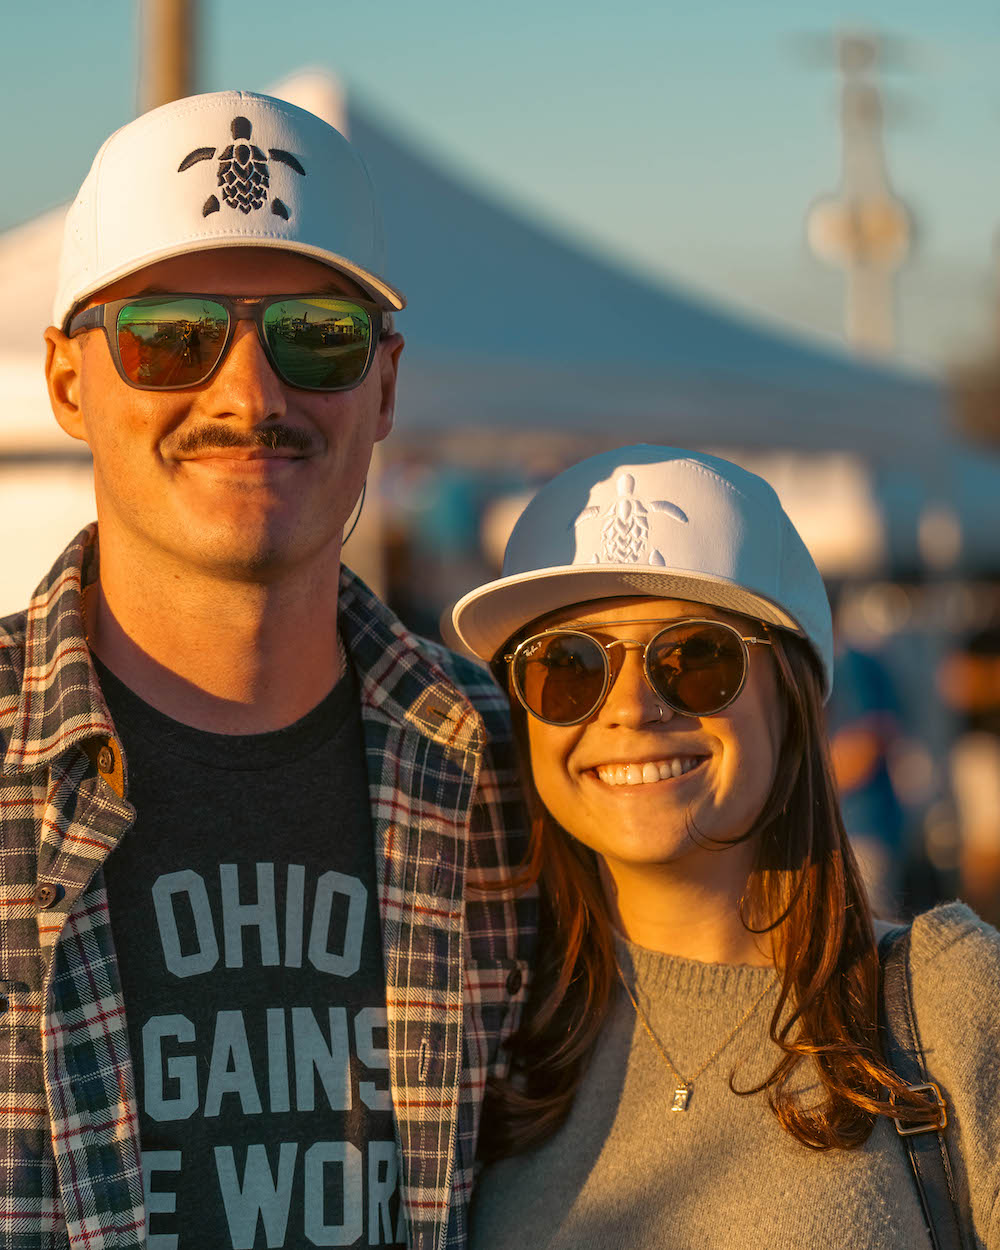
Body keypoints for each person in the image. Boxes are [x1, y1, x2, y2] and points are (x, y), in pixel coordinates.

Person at [0, 92, 533, 1250]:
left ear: (384, 385)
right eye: (173, 334)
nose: (249, 392)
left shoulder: (523, 771)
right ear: (68, 379)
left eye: (317, 336)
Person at [451, 446, 1000, 1250]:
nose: (630, 709)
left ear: (795, 696)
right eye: (567, 667)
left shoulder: (952, 1004)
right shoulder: (490, 1041)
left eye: (696, 657)